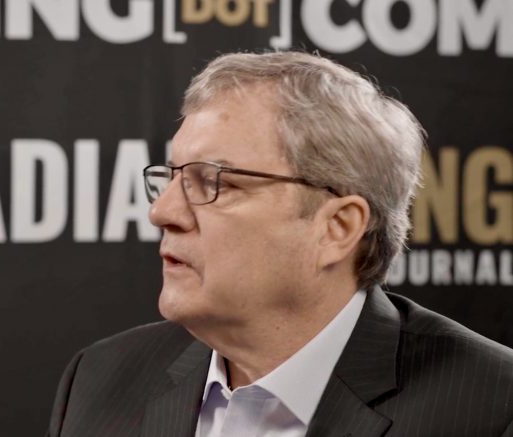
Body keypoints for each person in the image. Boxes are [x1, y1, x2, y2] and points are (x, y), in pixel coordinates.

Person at [47, 51, 513, 437]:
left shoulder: (493, 406)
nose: (162, 212)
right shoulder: (99, 379)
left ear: (337, 228)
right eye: (170, 178)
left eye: (214, 182)